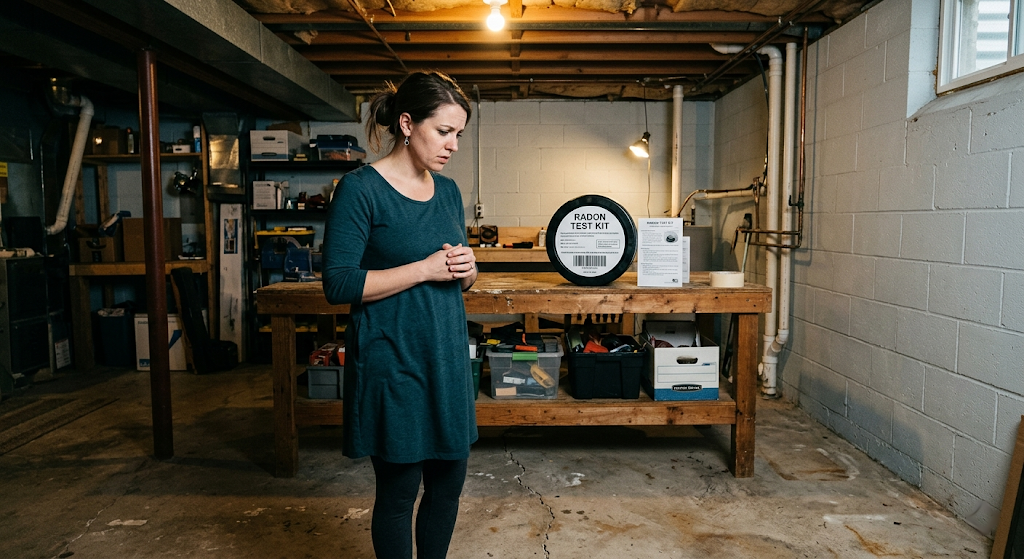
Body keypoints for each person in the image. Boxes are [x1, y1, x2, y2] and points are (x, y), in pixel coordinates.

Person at [321, 71, 478, 559]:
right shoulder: (360, 189)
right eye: (444, 131)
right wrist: (424, 268)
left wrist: (467, 270)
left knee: (448, 486)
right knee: (399, 494)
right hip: (393, 362)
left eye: (459, 135)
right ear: (407, 124)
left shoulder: (448, 192)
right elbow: (339, 283)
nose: (453, 145)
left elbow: (455, 272)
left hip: (446, 358)